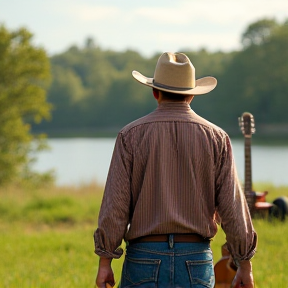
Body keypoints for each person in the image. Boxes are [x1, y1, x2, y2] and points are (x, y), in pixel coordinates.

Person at [94, 52, 257, 288]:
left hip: (142, 259)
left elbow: (115, 206)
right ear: (191, 94)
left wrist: (105, 262)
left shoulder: (129, 135)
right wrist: (244, 265)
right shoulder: (217, 138)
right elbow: (233, 208)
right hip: (196, 260)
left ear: (154, 92)